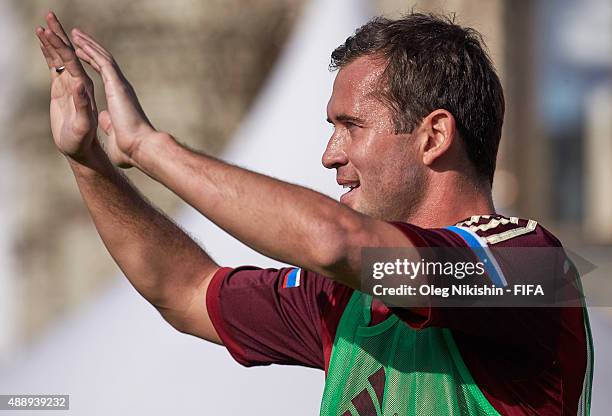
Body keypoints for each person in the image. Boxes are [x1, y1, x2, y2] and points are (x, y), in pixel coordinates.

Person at [36, 10, 592, 416]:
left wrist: (149, 148)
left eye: (350, 126)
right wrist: (88, 162)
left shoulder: (528, 270)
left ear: (435, 136)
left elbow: (337, 243)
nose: (329, 153)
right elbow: (183, 290)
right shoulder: (346, 297)